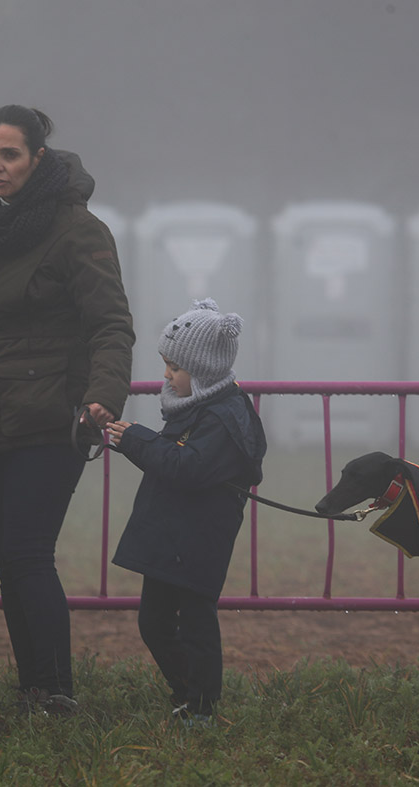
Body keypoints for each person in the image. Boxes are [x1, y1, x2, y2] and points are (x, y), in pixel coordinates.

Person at [0, 105, 134, 715]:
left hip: (52, 418)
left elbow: (111, 326)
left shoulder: (78, 230)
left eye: (9, 154)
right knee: (9, 563)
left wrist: (103, 397)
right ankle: (33, 688)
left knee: (29, 554)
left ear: (39, 158)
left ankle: (57, 691)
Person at [108, 299, 266, 726]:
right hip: (174, 537)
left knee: (196, 625)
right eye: (166, 364)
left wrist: (137, 440)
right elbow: (175, 458)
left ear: (204, 370)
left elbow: (187, 467)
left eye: (174, 367)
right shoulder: (201, 407)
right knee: (154, 623)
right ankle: (187, 694)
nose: (166, 375)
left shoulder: (225, 417)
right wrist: (132, 441)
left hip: (198, 541)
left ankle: (202, 707)